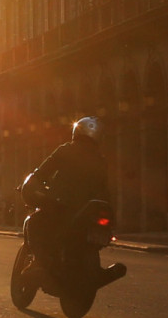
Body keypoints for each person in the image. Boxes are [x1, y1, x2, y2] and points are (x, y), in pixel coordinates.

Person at [23, 117, 125, 281]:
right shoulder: (101, 160)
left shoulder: (65, 150)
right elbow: (105, 188)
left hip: (61, 205)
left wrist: (32, 186)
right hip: (89, 210)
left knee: (35, 222)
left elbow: (43, 172)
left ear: (76, 132)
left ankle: (39, 263)